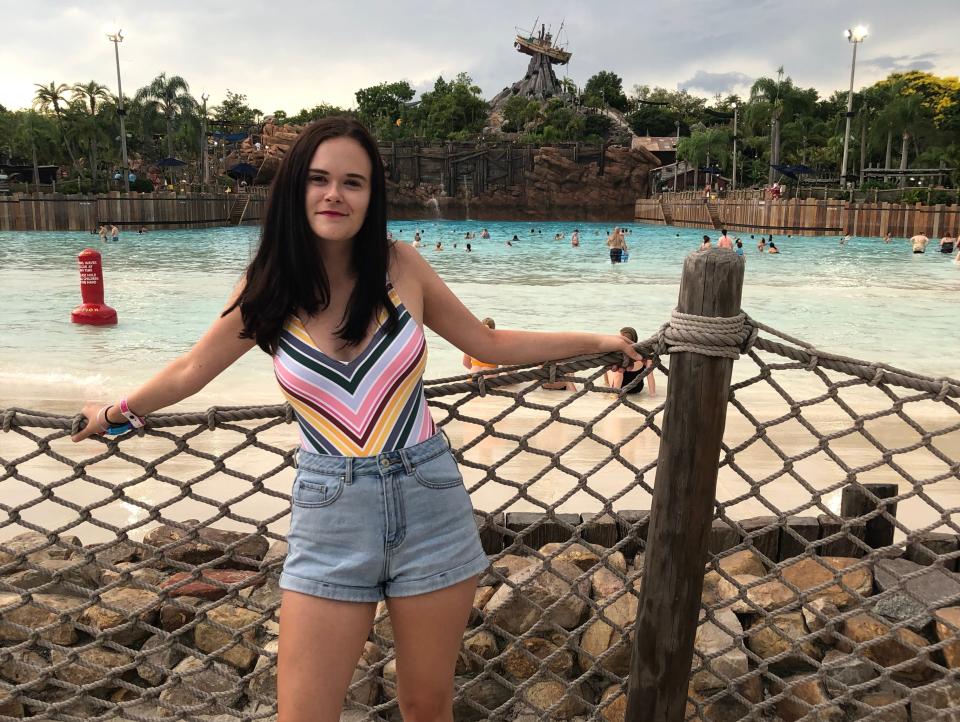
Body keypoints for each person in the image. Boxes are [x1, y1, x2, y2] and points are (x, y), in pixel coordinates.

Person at [69, 117, 641, 722]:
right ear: (296, 190)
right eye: (319, 179)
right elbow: (191, 369)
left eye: (353, 182)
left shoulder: (403, 267)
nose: (334, 194)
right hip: (330, 509)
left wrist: (597, 339)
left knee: (427, 709)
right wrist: (115, 413)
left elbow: (485, 343)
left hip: (430, 502)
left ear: (373, 196)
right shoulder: (268, 287)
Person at [604, 327, 656, 397]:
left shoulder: (619, 354)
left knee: (609, 365)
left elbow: (618, 375)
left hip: (620, 388)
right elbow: (650, 376)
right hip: (637, 389)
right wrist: (653, 395)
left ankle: (612, 391)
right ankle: (609, 387)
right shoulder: (644, 355)